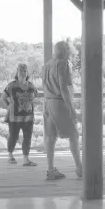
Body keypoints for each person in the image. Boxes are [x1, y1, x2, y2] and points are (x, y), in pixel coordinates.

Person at [42, 41, 82, 180]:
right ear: (65, 51)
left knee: (51, 138)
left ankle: (51, 170)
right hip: (59, 103)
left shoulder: (46, 65)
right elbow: (63, 88)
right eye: (69, 50)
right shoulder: (62, 64)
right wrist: (71, 108)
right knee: (74, 136)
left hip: (48, 103)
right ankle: (80, 168)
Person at [1, 63, 37, 166]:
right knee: (13, 137)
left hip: (28, 117)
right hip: (14, 118)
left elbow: (34, 96)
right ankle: (10, 155)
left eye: (25, 70)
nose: (23, 72)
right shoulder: (11, 85)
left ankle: (26, 159)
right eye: (21, 70)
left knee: (27, 138)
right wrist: (9, 106)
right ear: (17, 72)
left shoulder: (31, 85)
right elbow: (3, 97)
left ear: (27, 72)